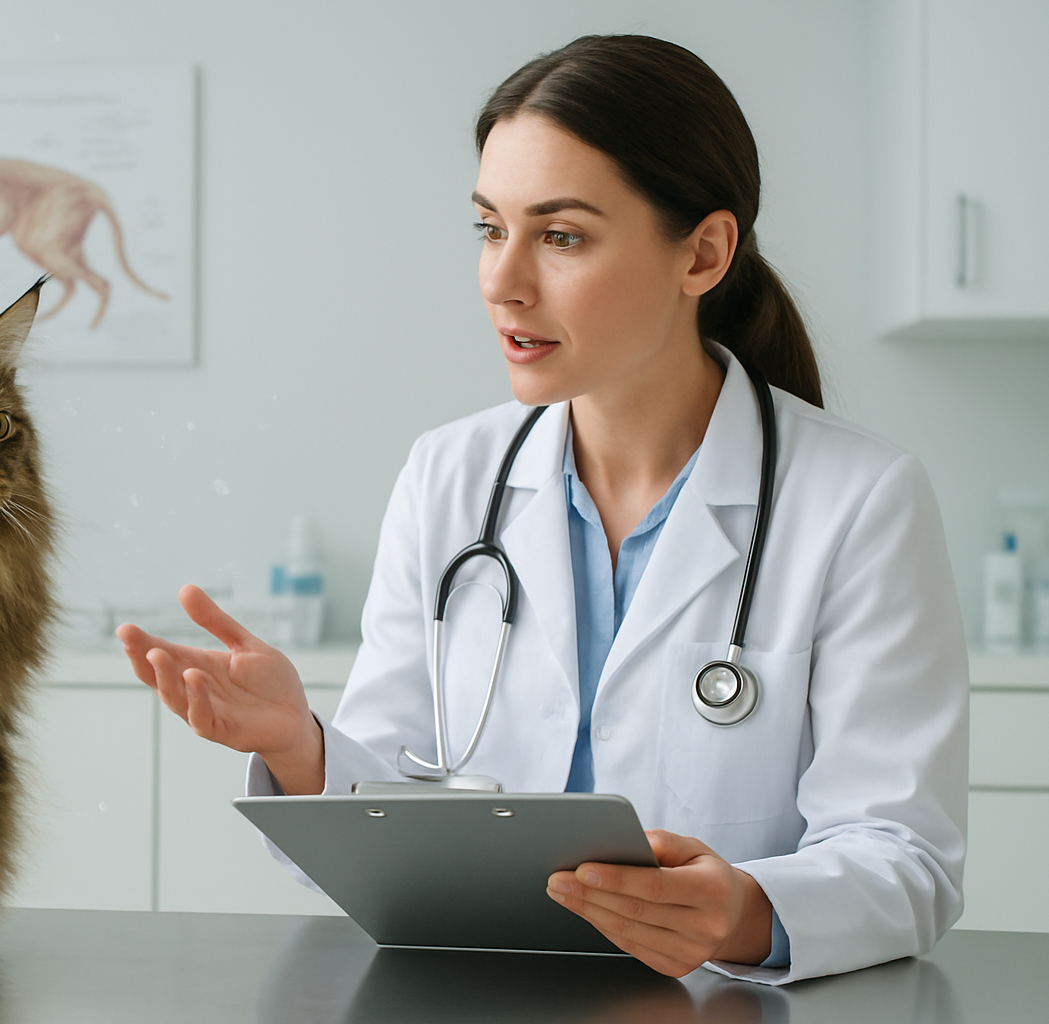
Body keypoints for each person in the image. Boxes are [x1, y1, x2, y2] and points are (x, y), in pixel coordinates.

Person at [116, 35, 968, 985]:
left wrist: (741, 912)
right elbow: (393, 807)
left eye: (561, 236)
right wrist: (298, 746)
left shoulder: (859, 501)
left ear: (703, 254)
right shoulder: (449, 476)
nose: (502, 281)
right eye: (491, 228)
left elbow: (906, 859)